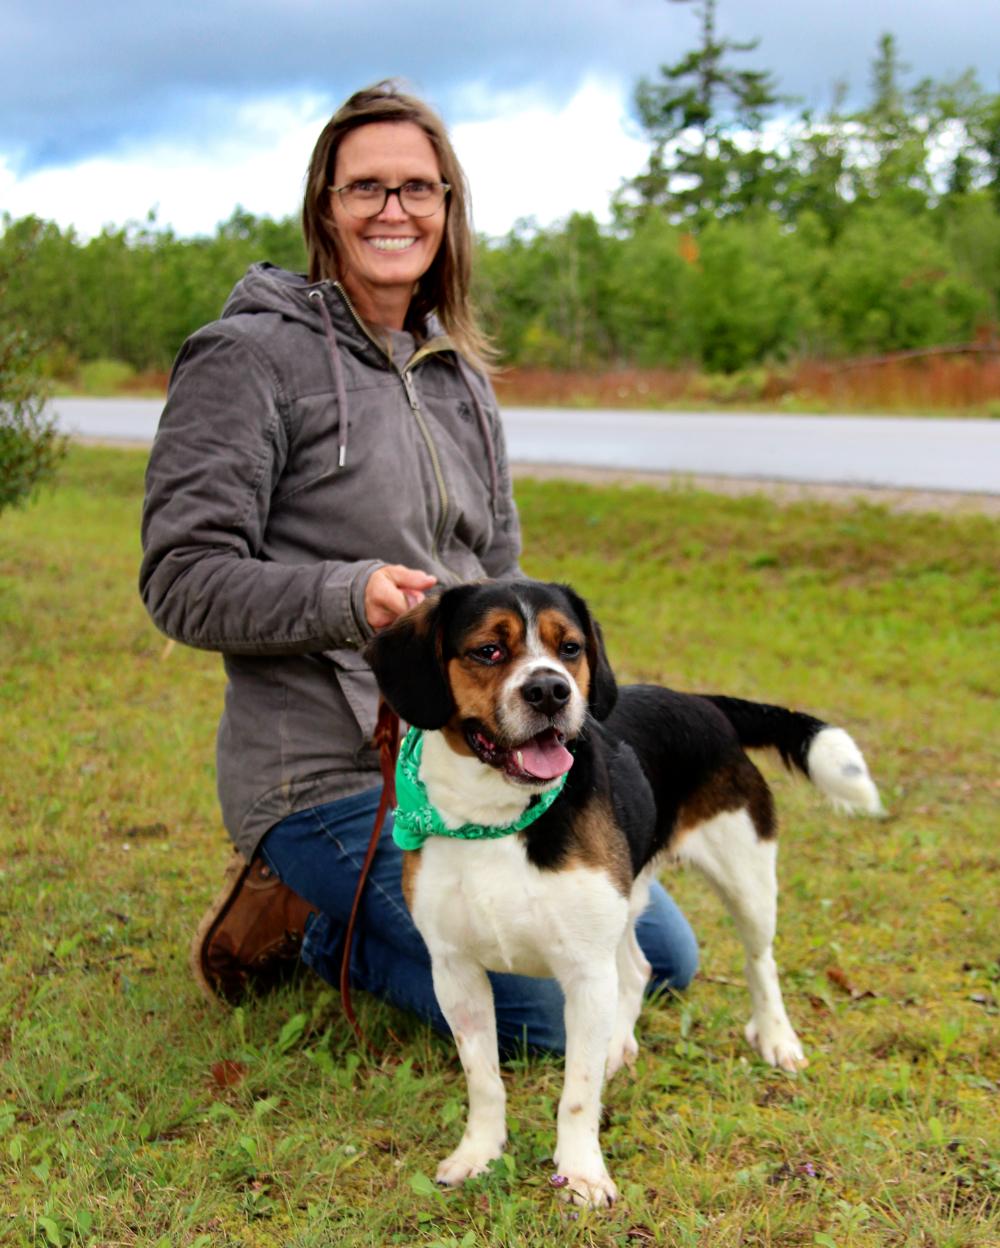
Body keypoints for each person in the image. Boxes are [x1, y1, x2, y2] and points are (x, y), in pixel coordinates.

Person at [139, 81, 698, 1052]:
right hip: (323, 773)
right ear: (325, 206)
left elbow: (501, 575)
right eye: (366, 188)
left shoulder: (460, 377)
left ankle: (369, 918)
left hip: (471, 760)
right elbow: (181, 577)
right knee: (554, 1017)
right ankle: (316, 928)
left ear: (448, 208)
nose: (393, 211)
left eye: (416, 189)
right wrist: (345, 595)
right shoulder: (245, 359)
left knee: (653, 961)